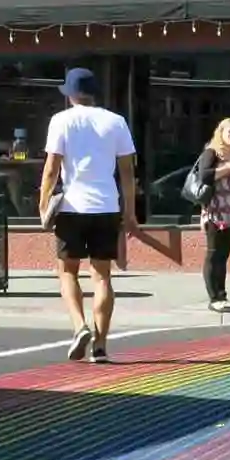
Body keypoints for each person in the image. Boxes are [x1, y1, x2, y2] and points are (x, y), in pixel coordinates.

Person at [39, 67, 139, 363]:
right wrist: (130, 213)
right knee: (102, 277)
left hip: (72, 206)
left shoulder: (61, 121)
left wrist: (43, 204)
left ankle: (79, 326)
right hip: (106, 206)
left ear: (70, 95)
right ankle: (100, 345)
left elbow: (51, 169)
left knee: (68, 271)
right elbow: (127, 172)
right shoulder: (116, 122)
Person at [191, 117, 230, 313]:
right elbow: (204, 175)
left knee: (223, 257)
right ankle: (214, 297)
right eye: (229, 132)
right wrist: (227, 169)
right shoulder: (212, 152)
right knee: (213, 254)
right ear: (221, 133)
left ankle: (222, 296)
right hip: (216, 213)